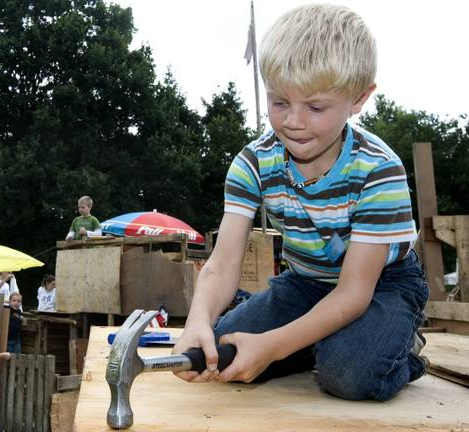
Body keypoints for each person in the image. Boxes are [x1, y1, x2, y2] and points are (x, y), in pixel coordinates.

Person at [172, 4, 429, 402]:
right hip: (304, 280)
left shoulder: (379, 171)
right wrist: (198, 320)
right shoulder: (253, 163)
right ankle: (311, 343)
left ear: (359, 98)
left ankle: (400, 349)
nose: (293, 121)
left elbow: (352, 295)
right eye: (279, 102)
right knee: (219, 349)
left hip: (381, 286)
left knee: (348, 374)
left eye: (315, 107)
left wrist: (273, 346)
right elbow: (221, 265)